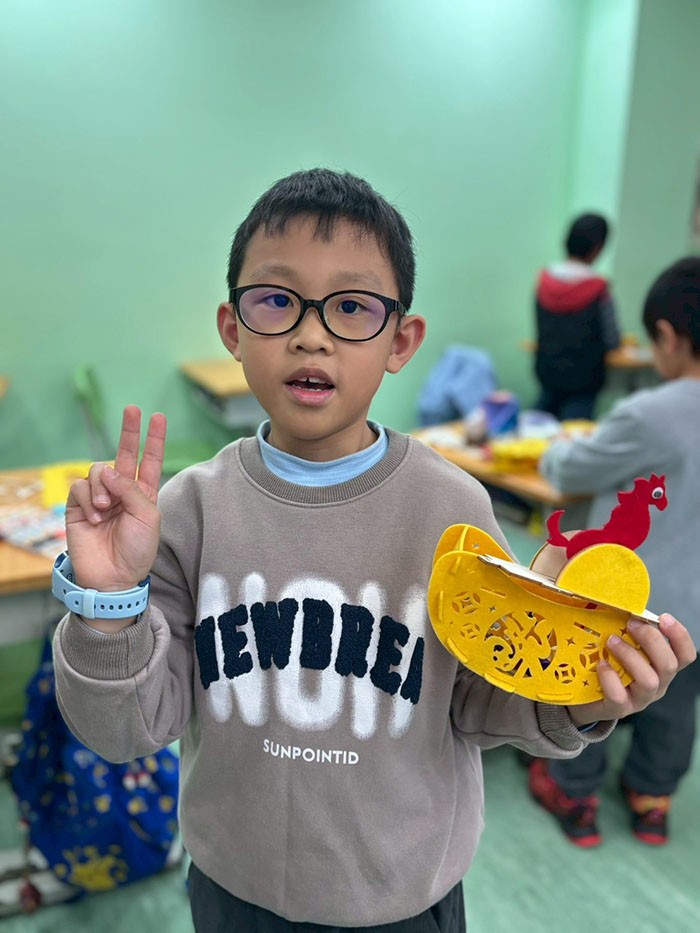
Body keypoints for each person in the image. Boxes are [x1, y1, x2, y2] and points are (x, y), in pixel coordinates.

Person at [51, 170, 695, 932]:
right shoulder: (189, 511)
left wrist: (583, 694)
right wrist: (107, 606)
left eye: (352, 306)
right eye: (276, 300)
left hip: (403, 903)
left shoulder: (452, 511)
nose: (311, 333)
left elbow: (485, 700)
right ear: (232, 327)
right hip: (231, 890)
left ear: (401, 340)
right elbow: (126, 729)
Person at [530, 256, 700, 848]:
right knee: (676, 706)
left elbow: (569, 469)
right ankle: (652, 801)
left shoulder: (653, 411)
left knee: (600, 688)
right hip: (695, 613)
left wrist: (556, 447)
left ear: (668, 337)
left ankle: (575, 796)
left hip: (630, 601)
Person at [534, 212, 621, 420]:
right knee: (574, 433)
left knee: (537, 429)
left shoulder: (544, 281)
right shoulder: (599, 289)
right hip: (584, 382)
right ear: (598, 248)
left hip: (547, 373)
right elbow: (612, 339)